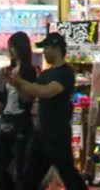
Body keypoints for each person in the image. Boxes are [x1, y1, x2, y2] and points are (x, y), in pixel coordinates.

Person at [9, 32, 86, 190]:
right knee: (28, 178)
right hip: (41, 133)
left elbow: (46, 92)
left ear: (57, 49)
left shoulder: (65, 73)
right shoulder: (45, 74)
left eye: (47, 48)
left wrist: (21, 82)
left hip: (57, 134)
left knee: (69, 175)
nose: (44, 52)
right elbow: (28, 97)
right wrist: (16, 84)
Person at [0, 32, 37, 190]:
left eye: (13, 47)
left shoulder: (28, 71)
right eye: (9, 48)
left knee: (22, 169)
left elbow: (27, 98)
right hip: (6, 120)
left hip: (20, 122)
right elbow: (6, 98)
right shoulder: (11, 70)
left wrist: (17, 83)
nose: (10, 51)